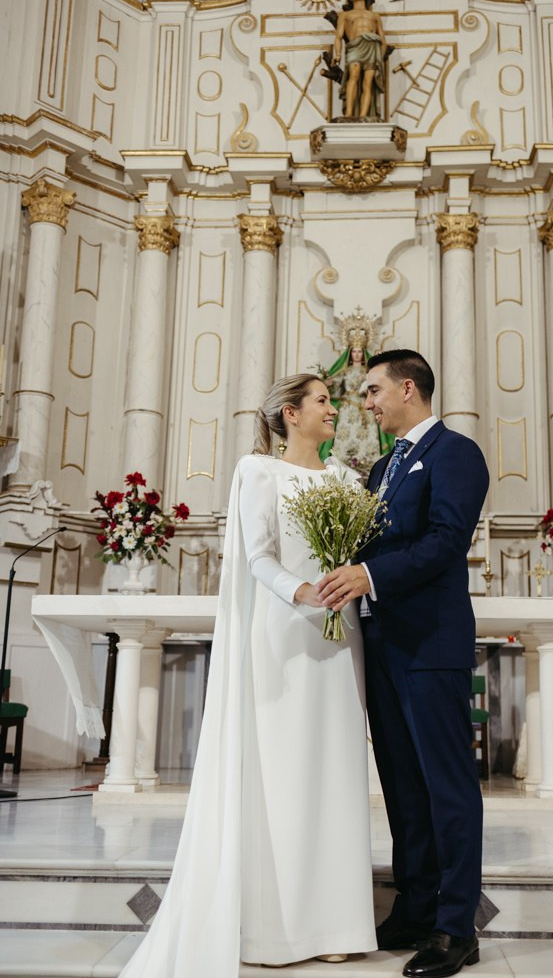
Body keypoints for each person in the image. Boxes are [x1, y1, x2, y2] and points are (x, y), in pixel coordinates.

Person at [119, 374, 376, 978]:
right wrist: (301, 590)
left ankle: (335, 922)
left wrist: (345, 585)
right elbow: (256, 554)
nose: (333, 409)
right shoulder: (257, 472)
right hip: (283, 636)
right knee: (282, 773)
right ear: (290, 414)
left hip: (340, 640)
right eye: (322, 401)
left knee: (335, 771)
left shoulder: (346, 479)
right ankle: (274, 927)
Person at [317, 349, 489, 978]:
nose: (365, 403)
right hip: (383, 641)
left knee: (446, 786)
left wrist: (368, 573)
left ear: (407, 388)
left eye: (371, 391)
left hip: (430, 643)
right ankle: (415, 907)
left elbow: (446, 541)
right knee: (402, 788)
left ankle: (454, 926)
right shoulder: (385, 466)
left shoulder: (455, 453)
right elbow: (371, 542)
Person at [319, 336, 393, 480]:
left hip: (365, 407)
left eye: (360, 351)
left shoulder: (369, 371)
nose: (357, 354)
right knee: (346, 434)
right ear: (350, 353)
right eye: (354, 352)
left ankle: (368, 466)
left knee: (368, 435)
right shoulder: (345, 370)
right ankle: (342, 466)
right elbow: (335, 391)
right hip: (348, 408)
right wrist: (328, 384)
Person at [334, 0, 388, 119]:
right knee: (354, 75)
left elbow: (382, 39)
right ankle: (349, 114)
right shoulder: (345, 15)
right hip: (355, 46)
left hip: (372, 47)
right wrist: (338, 54)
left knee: (368, 82)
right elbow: (338, 37)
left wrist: (380, 58)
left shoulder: (375, 16)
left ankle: (364, 116)